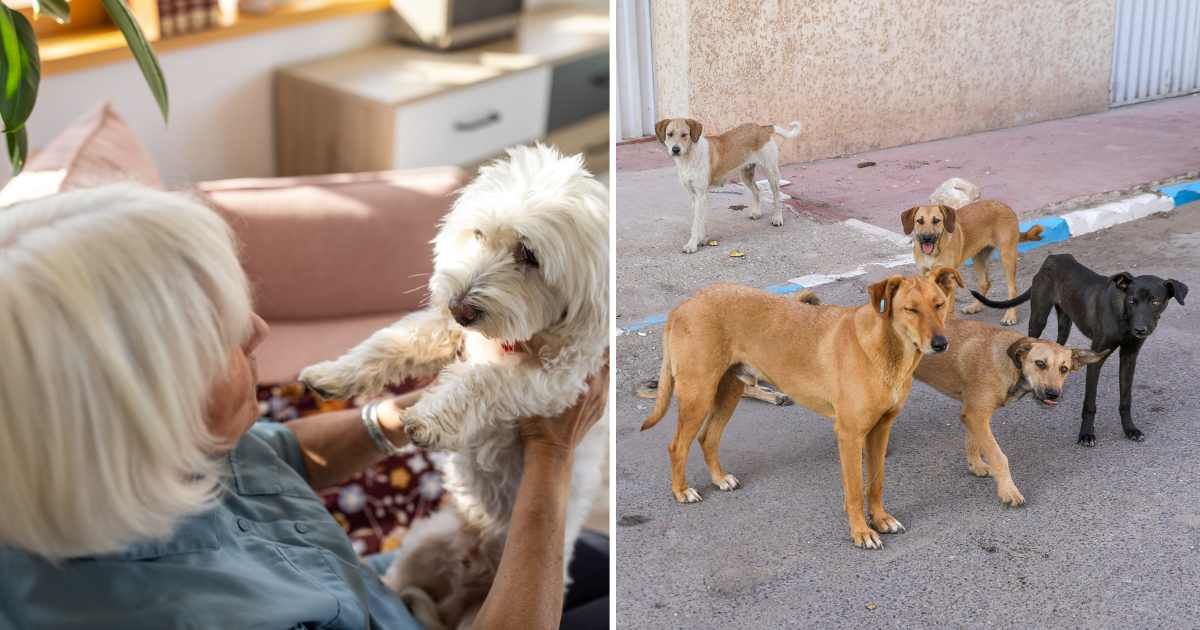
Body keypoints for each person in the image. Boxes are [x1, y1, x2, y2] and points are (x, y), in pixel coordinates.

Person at [0, 184, 609, 629]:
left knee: (601, 561)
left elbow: (280, 456)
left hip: (374, 587)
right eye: (222, 336)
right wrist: (549, 451)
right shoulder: (199, 614)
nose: (258, 331)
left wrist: (402, 411)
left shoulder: (126, 454)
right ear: (133, 404)